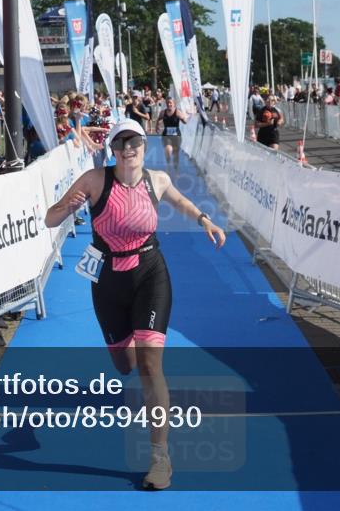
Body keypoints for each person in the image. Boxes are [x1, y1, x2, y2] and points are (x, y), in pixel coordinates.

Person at [43, 120, 226, 490]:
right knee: (125, 364)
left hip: (150, 274)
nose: (129, 148)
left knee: (149, 363)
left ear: (144, 146)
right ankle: (128, 357)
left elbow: (180, 199)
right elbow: (51, 217)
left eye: (136, 142)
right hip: (108, 280)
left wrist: (205, 219)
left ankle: (160, 459)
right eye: (122, 143)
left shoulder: (156, 180)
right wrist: (68, 206)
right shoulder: (95, 180)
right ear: (113, 149)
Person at [156, 97, 189, 171]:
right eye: (167, 103)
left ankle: (176, 168)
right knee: (168, 149)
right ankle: (168, 164)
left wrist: (183, 119)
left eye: (170, 102)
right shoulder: (163, 112)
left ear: (174, 104)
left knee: (175, 154)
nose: (169, 104)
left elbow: (185, 122)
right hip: (166, 135)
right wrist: (157, 126)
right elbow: (158, 119)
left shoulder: (177, 112)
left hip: (176, 136)